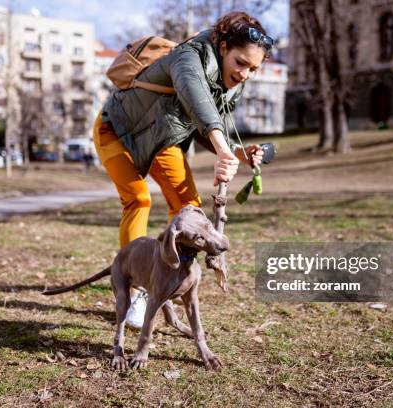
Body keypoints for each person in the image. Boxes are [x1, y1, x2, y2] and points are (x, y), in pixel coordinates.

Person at [93, 11, 273, 328]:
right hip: (117, 131)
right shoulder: (187, 58)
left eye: (253, 69)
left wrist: (240, 154)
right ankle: (136, 291)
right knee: (138, 199)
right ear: (222, 45)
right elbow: (196, 98)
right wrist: (222, 150)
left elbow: (205, 126)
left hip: (163, 139)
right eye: (241, 63)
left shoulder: (232, 84)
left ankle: (170, 276)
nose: (245, 73)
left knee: (189, 210)